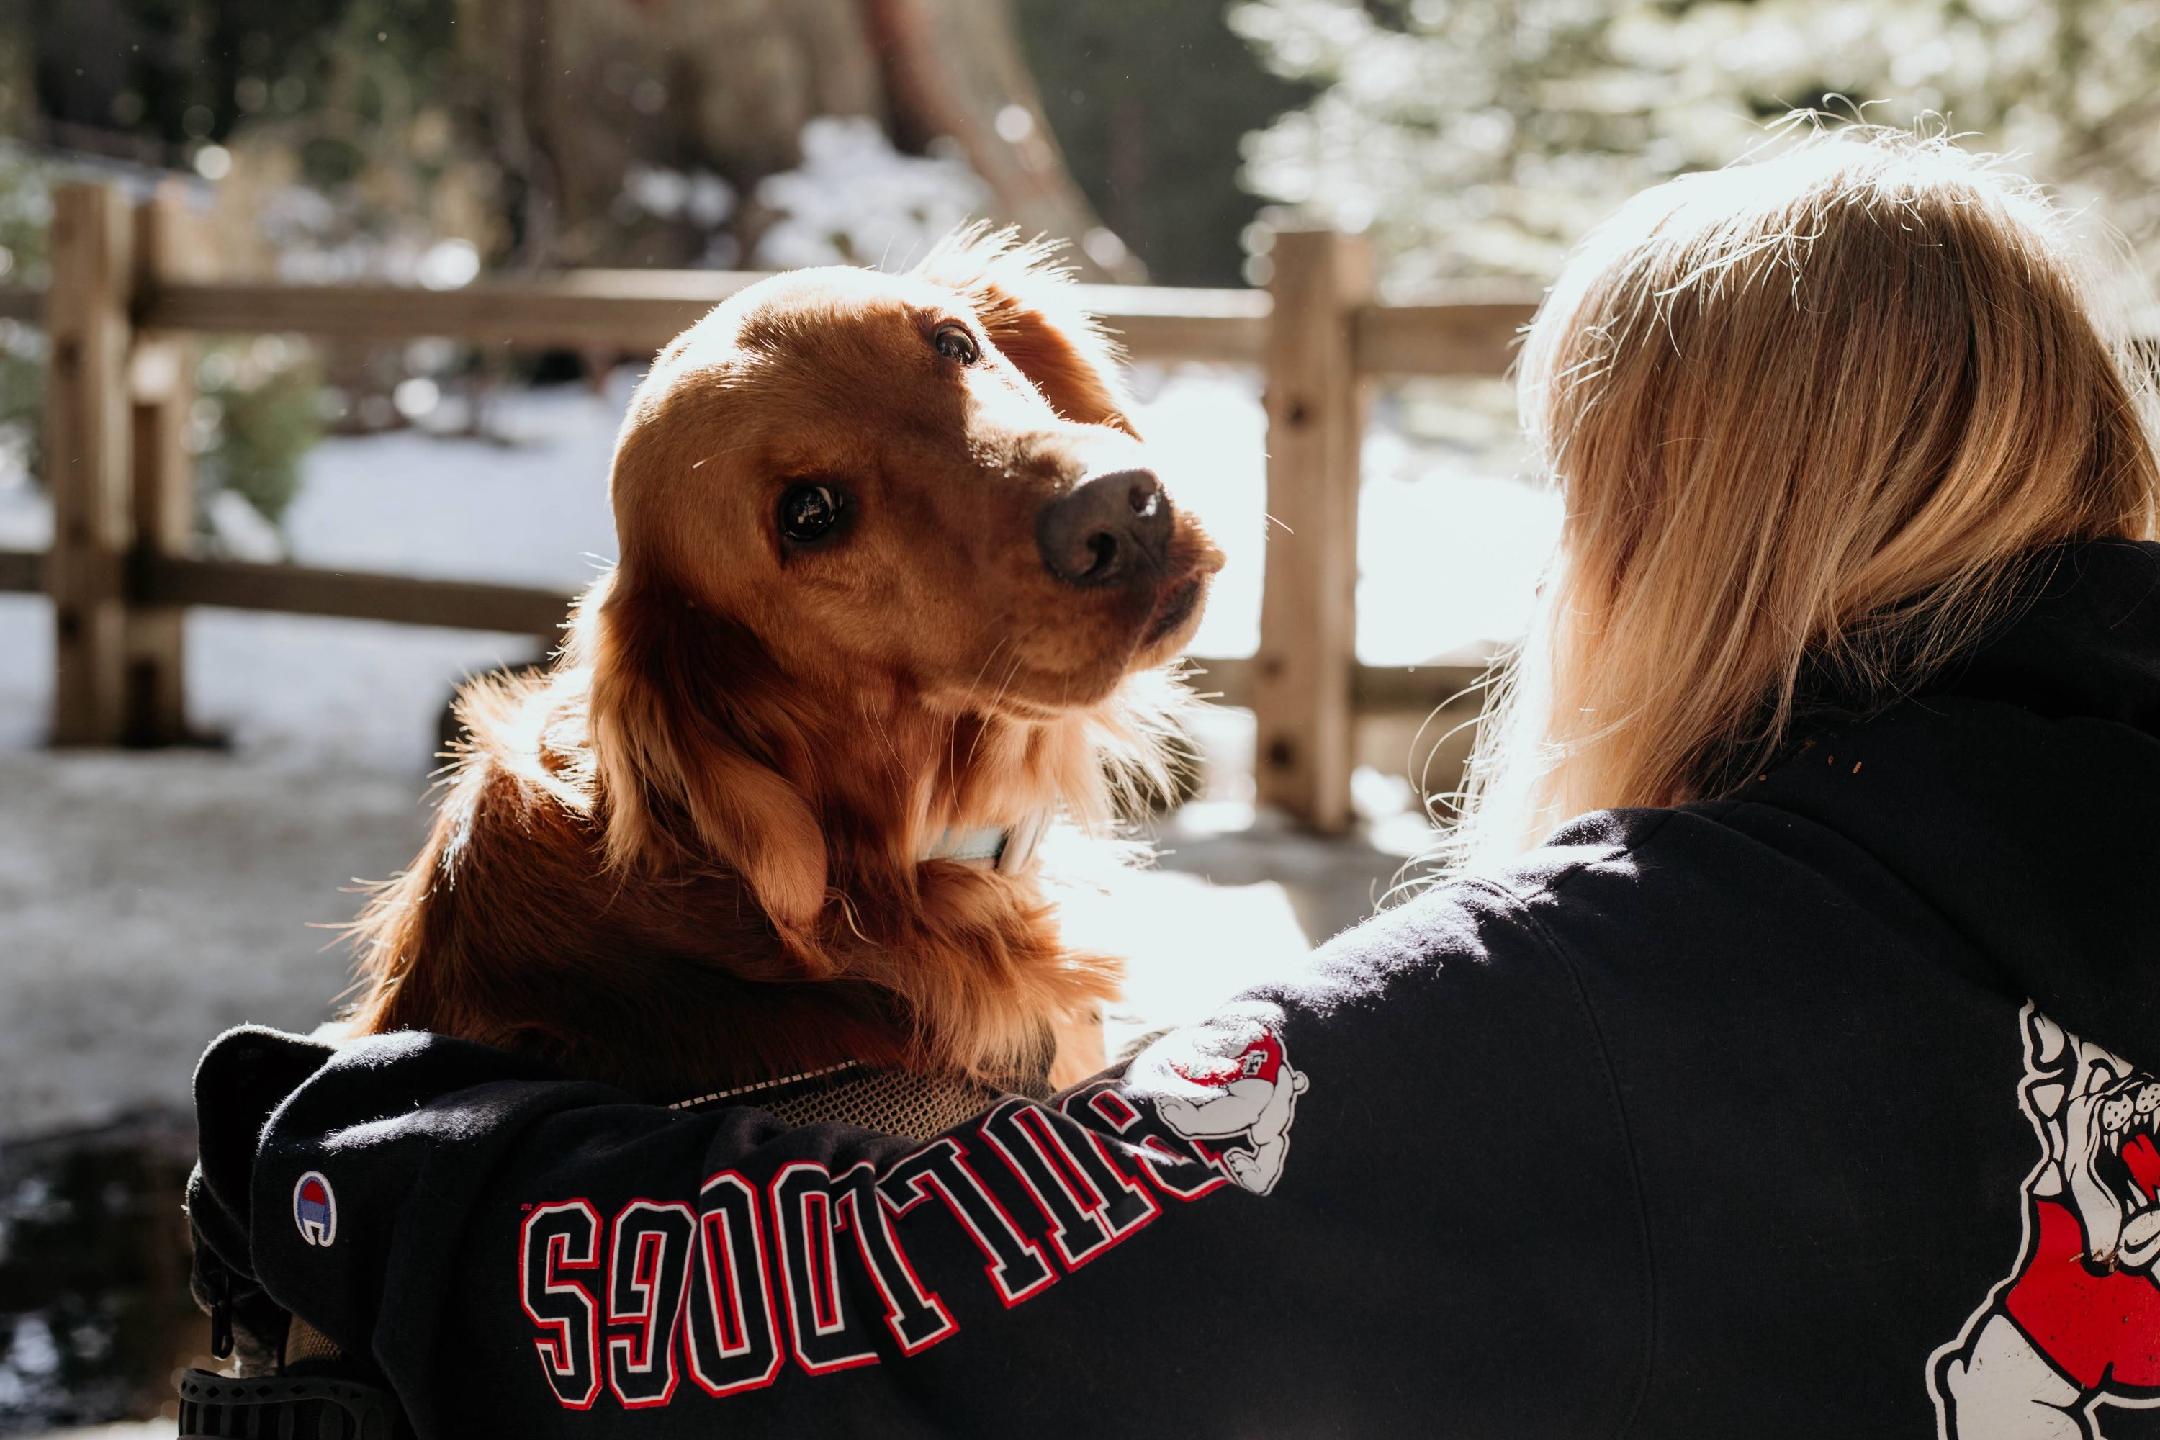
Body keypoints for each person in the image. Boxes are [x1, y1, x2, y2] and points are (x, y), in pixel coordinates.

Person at [185, 125, 2160, 1439]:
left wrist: (356, 1166)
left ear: (1687, 545)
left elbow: (897, 1299)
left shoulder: (1626, 1002)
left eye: (1589, 516)